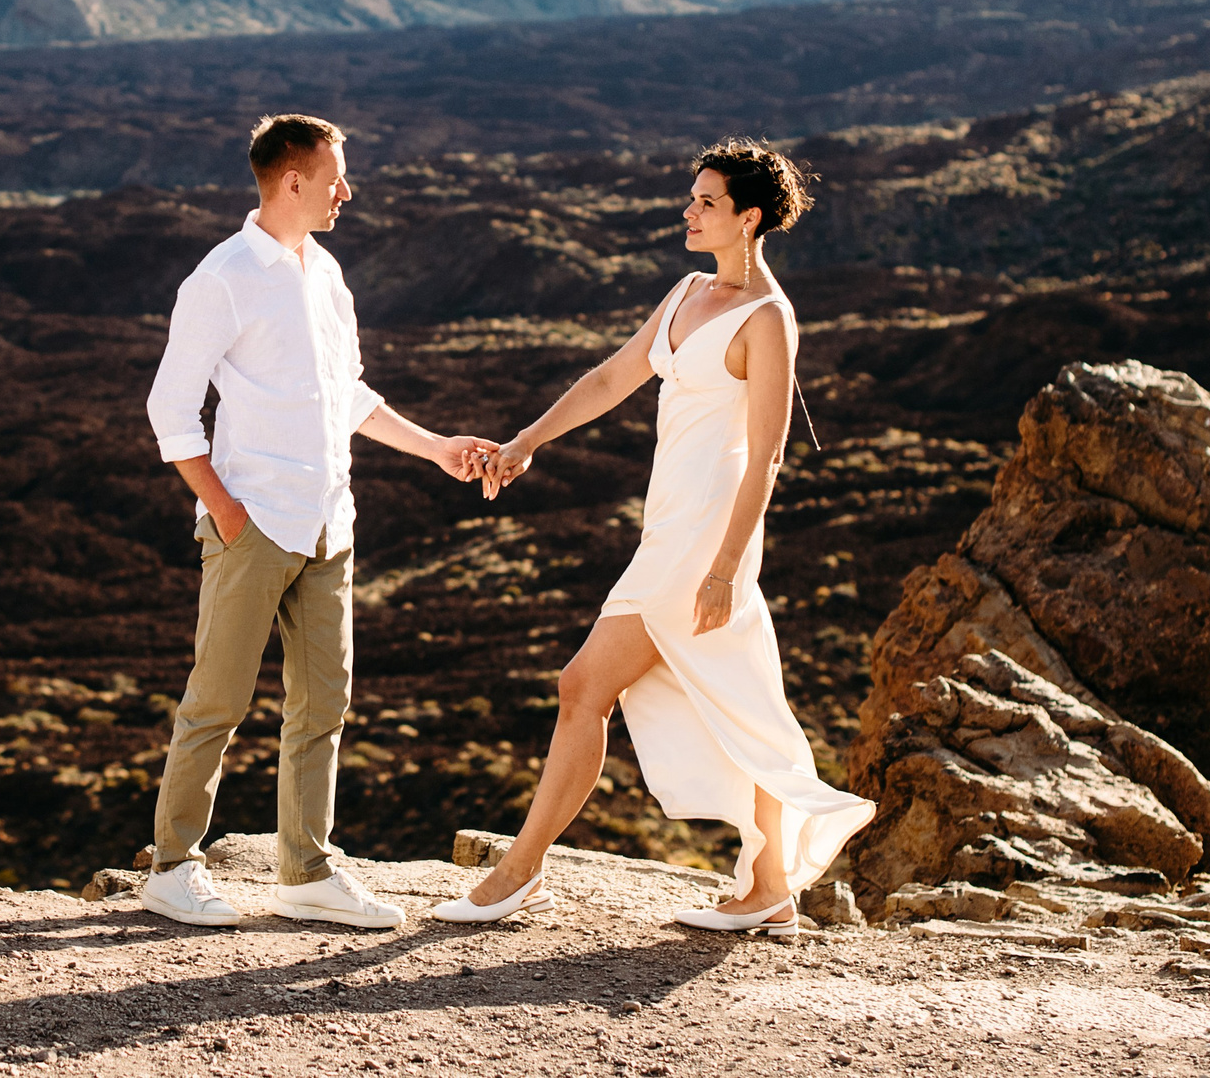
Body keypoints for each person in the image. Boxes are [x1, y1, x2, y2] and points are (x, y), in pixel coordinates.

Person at [432, 138, 875, 934]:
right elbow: (611, 378)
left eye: (706, 202)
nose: (689, 210)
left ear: (749, 218)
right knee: (744, 701)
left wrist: (725, 568)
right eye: (692, 197)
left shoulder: (767, 320)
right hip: (668, 525)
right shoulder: (686, 292)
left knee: (582, 687)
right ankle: (770, 885)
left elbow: (768, 455)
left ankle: (516, 873)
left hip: (706, 541)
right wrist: (528, 440)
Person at [140, 113, 495, 929]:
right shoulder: (222, 277)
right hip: (255, 523)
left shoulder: (326, 273)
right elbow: (169, 410)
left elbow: (350, 396)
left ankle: (305, 873)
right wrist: (226, 511)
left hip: (330, 520)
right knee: (217, 703)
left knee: (323, 706)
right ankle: (171, 868)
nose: (347, 189)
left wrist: (436, 447)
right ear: (291, 179)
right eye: (335, 175)